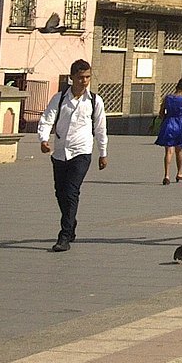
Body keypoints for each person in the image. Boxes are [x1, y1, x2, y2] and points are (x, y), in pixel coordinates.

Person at [35, 59, 108, 252]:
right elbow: (47, 119)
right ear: (72, 78)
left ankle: (64, 236)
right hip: (60, 153)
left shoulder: (94, 101)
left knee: (71, 191)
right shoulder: (59, 99)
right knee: (60, 192)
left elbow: (101, 129)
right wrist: (43, 140)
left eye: (87, 77)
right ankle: (71, 222)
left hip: (82, 152)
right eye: (80, 77)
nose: (84, 81)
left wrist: (103, 153)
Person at [154, 79, 182, 184]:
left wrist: (167, 117)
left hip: (169, 123)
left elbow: (161, 113)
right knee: (179, 150)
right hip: (180, 124)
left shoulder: (167, 98)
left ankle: (166, 175)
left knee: (168, 151)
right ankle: (179, 173)